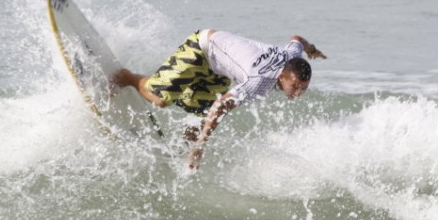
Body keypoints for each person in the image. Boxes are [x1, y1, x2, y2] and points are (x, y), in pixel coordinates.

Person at [112, 29, 326, 169]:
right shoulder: (258, 81)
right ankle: (127, 77)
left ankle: (180, 156)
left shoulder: (293, 58)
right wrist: (200, 146)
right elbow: (222, 104)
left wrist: (312, 50)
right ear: (282, 76)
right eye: (295, 86)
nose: (298, 92)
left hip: (218, 70)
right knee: (161, 100)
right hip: (202, 48)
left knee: (199, 116)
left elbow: (296, 39)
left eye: (303, 89)